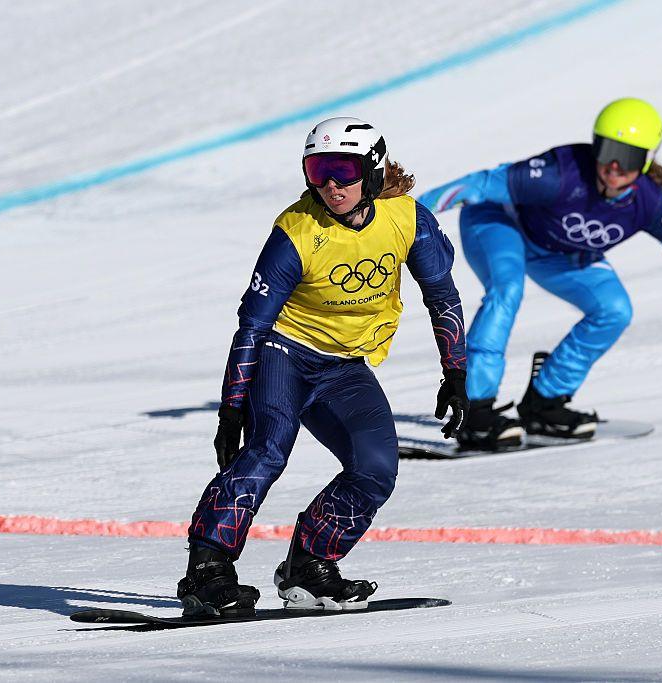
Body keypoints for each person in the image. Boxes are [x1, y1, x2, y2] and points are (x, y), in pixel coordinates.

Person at [178, 116, 469, 615]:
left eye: (343, 170)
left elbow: (441, 294)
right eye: (317, 170)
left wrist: (456, 372)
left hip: (345, 367)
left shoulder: (407, 219)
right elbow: (251, 326)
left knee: (375, 469)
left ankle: (310, 566)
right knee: (266, 453)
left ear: (373, 169)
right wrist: (231, 410)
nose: (330, 185)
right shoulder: (295, 231)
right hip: (283, 355)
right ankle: (208, 573)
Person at [418, 98, 662, 452]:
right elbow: (477, 186)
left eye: (628, 157)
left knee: (615, 310)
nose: (615, 166)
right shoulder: (559, 174)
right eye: (608, 150)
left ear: (647, 160)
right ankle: (474, 410)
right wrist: (411, 215)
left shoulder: (649, 202)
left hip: (558, 252)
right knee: (507, 291)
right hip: (501, 223)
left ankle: (544, 402)